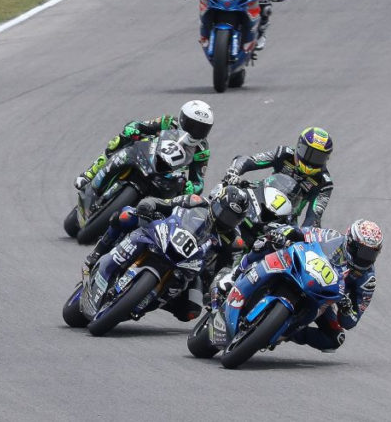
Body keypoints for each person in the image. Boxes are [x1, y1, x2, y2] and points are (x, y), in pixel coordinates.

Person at [83, 187, 251, 321]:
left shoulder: (234, 240)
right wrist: (148, 206)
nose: (224, 218)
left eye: (231, 218)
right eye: (223, 211)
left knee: (191, 311)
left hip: (191, 267)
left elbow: (228, 269)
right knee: (126, 215)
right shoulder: (196, 201)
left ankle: (143, 302)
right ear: (216, 203)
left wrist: (216, 283)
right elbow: (165, 203)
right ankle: (97, 252)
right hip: (163, 234)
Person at [223, 219, 383, 352]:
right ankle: (236, 274)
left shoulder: (367, 280)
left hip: (323, 297)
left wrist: (346, 309)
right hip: (300, 270)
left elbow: (351, 321)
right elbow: (299, 231)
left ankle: (285, 331)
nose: (366, 259)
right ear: (351, 243)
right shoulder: (331, 237)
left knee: (335, 339)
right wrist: (282, 233)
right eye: (363, 252)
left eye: (371, 254)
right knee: (267, 242)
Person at [74, 100, 213, 197]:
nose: (196, 132)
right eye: (192, 125)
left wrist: (192, 188)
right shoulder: (169, 122)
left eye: (202, 129)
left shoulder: (202, 149)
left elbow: (198, 181)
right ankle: (90, 173)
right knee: (119, 140)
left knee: (185, 199)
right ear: (183, 119)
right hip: (149, 155)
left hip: (170, 176)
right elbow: (141, 125)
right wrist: (132, 128)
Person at [222, 126, 333, 227]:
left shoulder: (324, 183)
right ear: (299, 147)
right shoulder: (284, 153)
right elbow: (250, 160)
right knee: (227, 200)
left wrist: (303, 235)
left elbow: (313, 217)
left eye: (318, 157)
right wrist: (234, 171)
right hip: (258, 197)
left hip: (286, 220)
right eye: (307, 153)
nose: (310, 161)